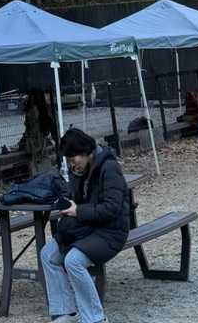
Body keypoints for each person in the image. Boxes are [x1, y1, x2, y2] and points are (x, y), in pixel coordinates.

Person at [40, 127, 128, 323]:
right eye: (68, 160)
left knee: (73, 261)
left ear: (86, 151)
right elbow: (77, 198)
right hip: (86, 229)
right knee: (48, 255)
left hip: (110, 232)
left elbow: (111, 208)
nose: (71, 163)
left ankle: (96, 318)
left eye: (73, 158)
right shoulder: (80, 169)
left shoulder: (109, 168)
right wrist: (71, 193)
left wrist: (78, 211)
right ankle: (66, 312)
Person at [19, 88, 59, 173]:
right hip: (42, 140)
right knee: (42, 161)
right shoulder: (43, 109)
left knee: (35, 163)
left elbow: (29, 125)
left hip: (34, 140)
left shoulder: (32, 110)